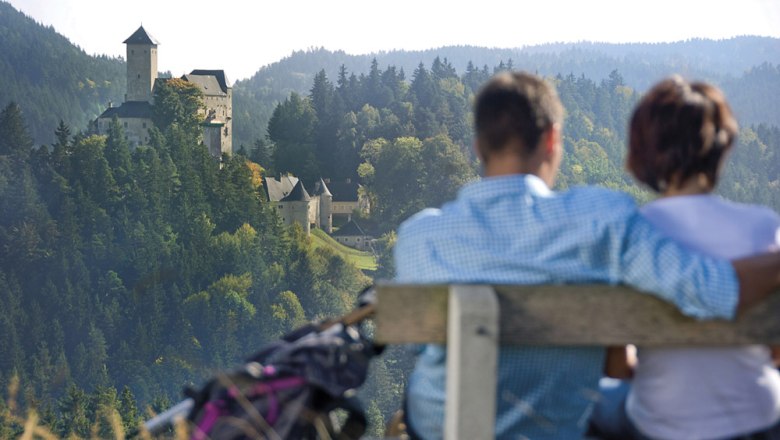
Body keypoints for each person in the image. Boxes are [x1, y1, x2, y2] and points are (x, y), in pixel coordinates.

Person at [392, 71, 780, 439]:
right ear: (552, 140)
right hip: (553, 427)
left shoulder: (419, 236)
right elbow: (714, 290)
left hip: (440, 428)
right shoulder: (599, 223)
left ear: (478, 147)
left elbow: (419, 347)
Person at [590, 77, 780, 440]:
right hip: (758, 418)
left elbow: (617, 366)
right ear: (721, 147)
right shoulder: (765, 228)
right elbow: (776, 351)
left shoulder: (633, 236)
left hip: (661, 423)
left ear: (644, 150)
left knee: (600, 400)